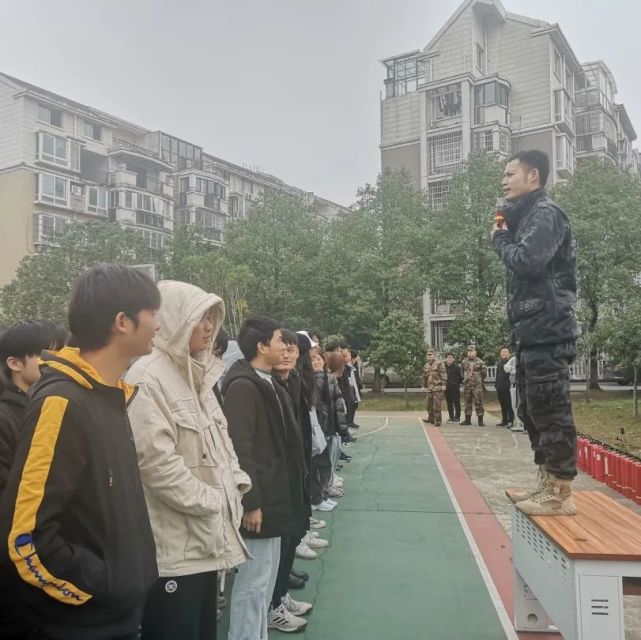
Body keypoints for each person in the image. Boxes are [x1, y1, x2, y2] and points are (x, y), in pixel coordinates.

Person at [0, 264, 160, 640]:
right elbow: (26, 536)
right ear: (122, 322)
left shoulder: (109, 396)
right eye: (153, 313)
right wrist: (100, 586)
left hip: (117, 615)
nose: (158, 325)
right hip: (81, 623)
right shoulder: (62, 403)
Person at [125, 281, 253, 640]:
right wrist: (215, 500)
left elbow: (223, 443)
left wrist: (236, 483)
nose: (209, 327)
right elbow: (156, 466)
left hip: (205, 541)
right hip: (174, 552)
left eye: (212, 318)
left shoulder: (197, 374)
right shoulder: (148, 377)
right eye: (200, 318)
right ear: (173, 319)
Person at [492, 150, 578, 516]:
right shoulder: (527, 217)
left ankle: (560, 492)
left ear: (534, 177)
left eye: (510, 173)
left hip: (547, 331)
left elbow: (528, 261)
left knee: (550, 409)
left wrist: (500, 239)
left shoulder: (546, 215)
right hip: (531, 333)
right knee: (530, 410)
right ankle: (546, 481)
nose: (504, 180)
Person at [222, 316, 308, 640]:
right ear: (261, 346)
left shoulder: (268, 382)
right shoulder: (243, 387)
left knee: (265, 582)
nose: (285, 348)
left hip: (275, 497)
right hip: (260, 504)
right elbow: (241, 450)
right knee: (252, 585)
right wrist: (251, 502)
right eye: (278, 341)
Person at [0, 320, 68, 640]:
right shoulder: (6, 417)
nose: (56, 362)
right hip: (17, 562)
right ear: (14, 363)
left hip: (50, 552)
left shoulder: (49, 405)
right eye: (46, 355)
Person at [267, 329, 313, 633]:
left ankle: (280, 596)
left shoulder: (291, 381)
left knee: (292, 535)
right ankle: (273, 605)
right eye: (282, 348)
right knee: (279, 546)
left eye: (293, 349)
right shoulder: (263, 385)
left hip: (296, 471)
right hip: (277, 481)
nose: (288, 354)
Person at [461, 345, 487, 426]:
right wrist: (465, 379)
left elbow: (484, 374)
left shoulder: (480, 362)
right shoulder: (464, 362)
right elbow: (462, 372)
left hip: (477, 386)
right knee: (467, 403)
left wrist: (477, 379)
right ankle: (467, 420)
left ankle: (480, 421)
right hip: (467, 385)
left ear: (475, 352)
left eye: (472, 351)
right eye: (469, 351)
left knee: (479, 402)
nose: (470, 353)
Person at [422, 349, 446, 427]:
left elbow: (443, 374)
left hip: (437, 387)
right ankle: (431, 418)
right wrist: (424, 386)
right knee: (429, 404)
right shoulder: (426, 365)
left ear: (434, 355)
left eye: (431, 355)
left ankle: (438, 420)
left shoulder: (439, 363)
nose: (429, 356)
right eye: (428, 355)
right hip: (429, 388)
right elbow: (424, 377)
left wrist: (444, 384)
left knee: (436, 405)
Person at [503, 354, 525, 432]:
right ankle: (519, 423)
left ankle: (524, 424)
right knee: (514, 404)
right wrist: (513, 368)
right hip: (513, 385)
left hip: (523, 386)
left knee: (521, 404)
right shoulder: (513, 359)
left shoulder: (525, 357)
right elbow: (505, 368)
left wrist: (515, 370)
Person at [495, 347, 514, 428]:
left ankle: (511, 421)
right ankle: (504, 420)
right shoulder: (499, 363)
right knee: (502, 405)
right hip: (500, 387)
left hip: (508, 387)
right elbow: (497, 375)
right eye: (502, 352)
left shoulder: (511, 362)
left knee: (509, 404)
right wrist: (496, 385)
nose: (503, 353)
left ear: (509, 353)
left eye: (505, 352)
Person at [444, 352, 462, 423]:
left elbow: (461, 377)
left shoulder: (457, 367)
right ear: (446, 359)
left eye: (451, 357)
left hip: (455, 388)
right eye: (448, 357)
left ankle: (457, 417)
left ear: (453, 359)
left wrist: (456, 383)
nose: (450, 359)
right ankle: (451, 417)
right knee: (449, 403)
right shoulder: (443, 367)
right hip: (446, 388)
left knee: (456, 403)